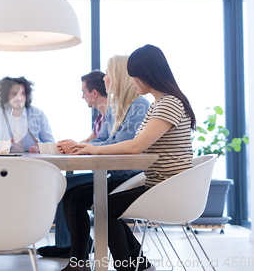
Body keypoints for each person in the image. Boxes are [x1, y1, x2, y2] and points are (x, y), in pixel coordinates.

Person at [63, 45, 195, 271]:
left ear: (146, 74)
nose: (131, 80)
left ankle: (129, 267)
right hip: (158, 184)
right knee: (105, 205)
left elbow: (136, 146)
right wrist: (91, 147)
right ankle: (138, 265)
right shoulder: (158, 105)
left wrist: (93, 150)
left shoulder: (169, 103)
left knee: (105, 208)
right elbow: (131, 142)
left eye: (133, 75)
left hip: (168, 188)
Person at [39, 56, 150, 259]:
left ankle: (126, 262)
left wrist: (83, 146)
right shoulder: (114, 109)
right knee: (73, 197)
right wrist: (78, 146)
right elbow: (103, 140)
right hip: (116, 177)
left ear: (117, 77)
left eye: (108, 74)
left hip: (132, 179)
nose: (105, 78)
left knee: (93, 203)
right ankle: (79, 260)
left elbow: (121, 144)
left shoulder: (140, 106)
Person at [0, 76, 54, 152]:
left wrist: (41, 148)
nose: (19, 98)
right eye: (14, 94)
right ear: (7, 96)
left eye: (22, 93)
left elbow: (51, 143)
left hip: (33, 161)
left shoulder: (38, 113)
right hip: (5, 161)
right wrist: (3, 147)